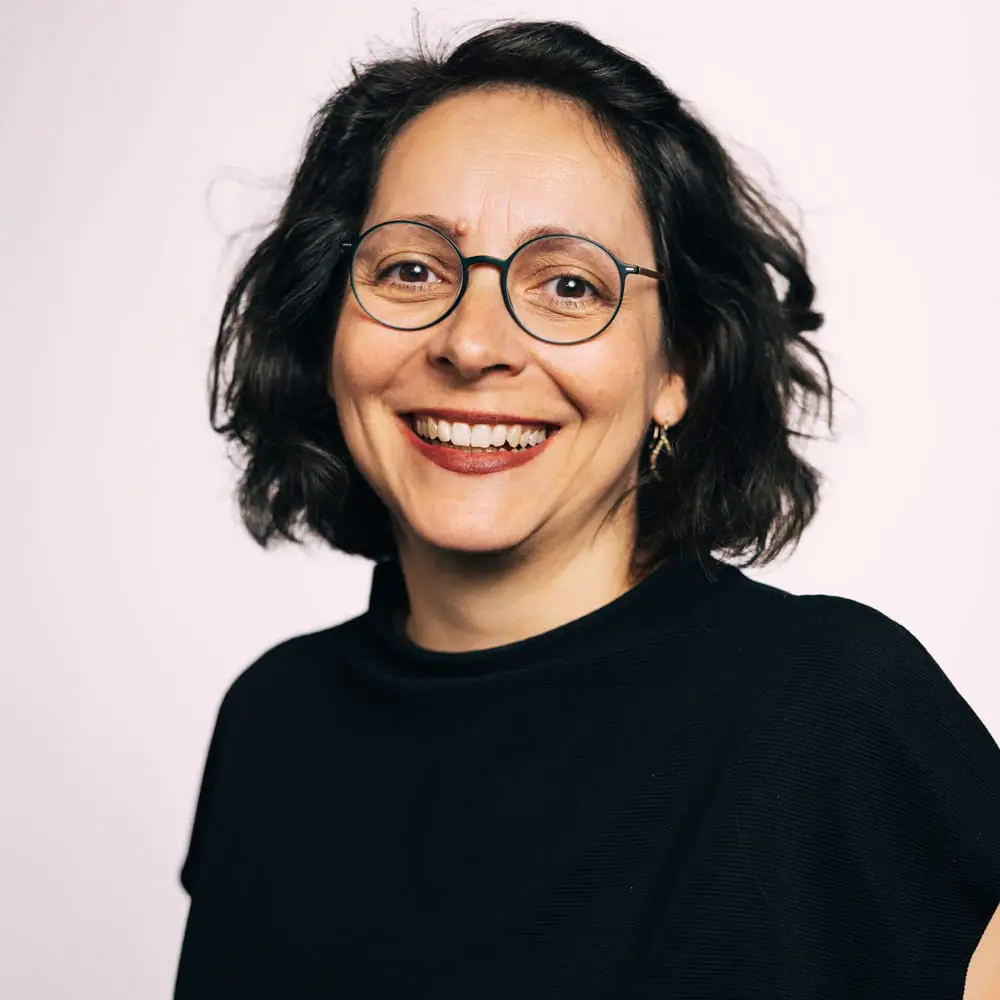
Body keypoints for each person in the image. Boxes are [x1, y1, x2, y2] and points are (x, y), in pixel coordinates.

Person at [174, 19, 1000, 999]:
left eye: (568, 285)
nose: (471, 344)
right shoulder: (273, 720)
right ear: (328, 324)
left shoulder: (834, 711)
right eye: (411, 270)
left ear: (677, 368)